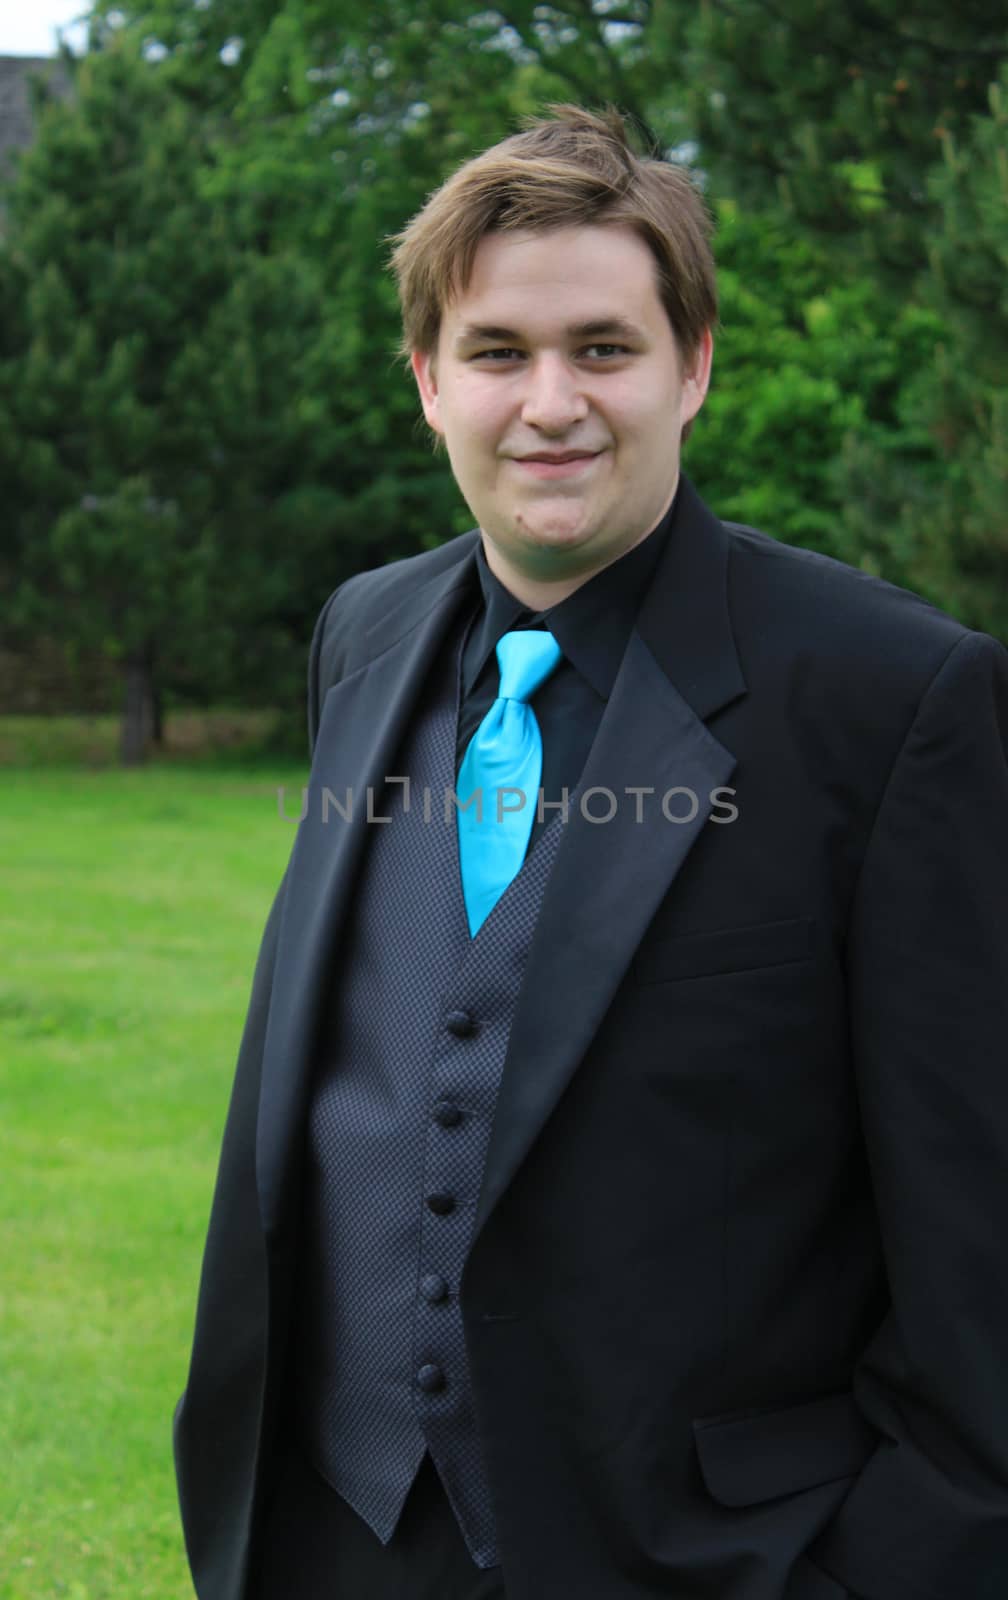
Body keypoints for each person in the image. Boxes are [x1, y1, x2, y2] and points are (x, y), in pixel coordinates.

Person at [173, 104, 1008, 1600]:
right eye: (497, 352)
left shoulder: (897, 697)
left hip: (697, 1559)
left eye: (604, 349)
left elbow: (982, 1252)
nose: (549, 401)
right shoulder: (362, 637)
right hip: (333, 1536)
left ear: (693, 367)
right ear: (430, 382)